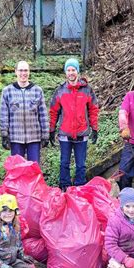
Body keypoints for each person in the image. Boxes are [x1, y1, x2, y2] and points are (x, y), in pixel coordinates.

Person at [49, 58, 99, 191]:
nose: (71, 73)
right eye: (68, 70)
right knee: (64, 162)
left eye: (73, 70)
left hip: (82, 133)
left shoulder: (87, 90)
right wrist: (51, 130)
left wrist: (94, 128)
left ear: (77, 71)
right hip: (65, 133)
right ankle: (64, 187)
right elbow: (53, 111)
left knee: (81, 164)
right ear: (65, 72)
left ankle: (79, 187)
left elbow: (93, 109)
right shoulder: (60, 90)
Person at [0, 61, 49, 163]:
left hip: (34, 137)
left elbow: (43, 115)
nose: (23, 73)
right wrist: (4, 135)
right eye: (21, 70)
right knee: (17, 169)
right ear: (16, 72)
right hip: (15, 137)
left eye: (26, 70)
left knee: (34, 168)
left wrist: (45, 135)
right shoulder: (7, 91)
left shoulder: (37, 90)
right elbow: (4, 115)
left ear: (29, 72)